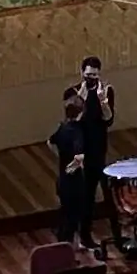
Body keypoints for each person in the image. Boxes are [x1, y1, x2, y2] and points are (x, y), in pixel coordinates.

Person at [50, 59, 112, 247]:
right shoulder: (72, 93)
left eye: (95, 75)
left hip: (96, 146)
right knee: (73, 196)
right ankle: (66, 236)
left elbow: (108, 119)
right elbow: (71, 115)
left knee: (90, 194)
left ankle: (85, 234)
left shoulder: (106, 91)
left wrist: (103, 101)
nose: (91, 78)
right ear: (82, 73)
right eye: (88, 74)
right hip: (78, 146)